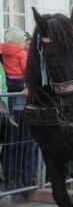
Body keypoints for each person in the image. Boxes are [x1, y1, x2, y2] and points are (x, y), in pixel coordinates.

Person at [1, 27, 37, 188]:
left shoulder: (2, 53)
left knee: (11, 145)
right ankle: (25, 179)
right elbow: (28, 72)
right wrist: (28, 85)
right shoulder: (22, 54)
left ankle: (11, 179)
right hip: (22, 106)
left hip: (9, 107)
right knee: (24, 144)